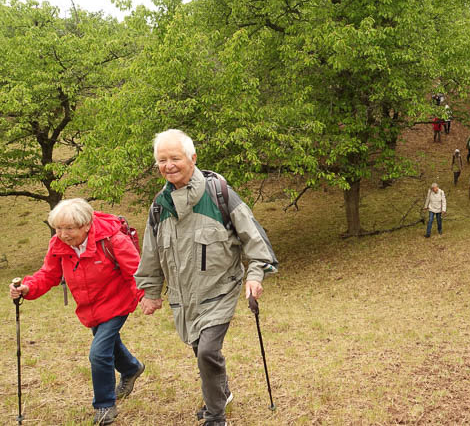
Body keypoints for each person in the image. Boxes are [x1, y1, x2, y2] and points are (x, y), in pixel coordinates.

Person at [135, 129, 278, 426]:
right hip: (183, 300)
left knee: (208, 351)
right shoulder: (159, 206)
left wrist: (254, 276)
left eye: (175, 158)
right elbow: (150, 254)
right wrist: (150, 292)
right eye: (162, 160)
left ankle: (215, 416)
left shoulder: (220, 195)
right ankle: (221, 392)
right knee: (202, 350)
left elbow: (256, 241)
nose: (169, 165)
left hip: (220, 290)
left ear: (192, 158)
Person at [9, 199, 144, 425]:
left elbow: (135, 271)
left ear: (86, 225)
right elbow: (49, 274)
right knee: (108, 343)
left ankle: (104, 406)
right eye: (58, 228)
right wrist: (27, 287)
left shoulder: (113, 240)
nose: (63, 234)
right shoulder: (58, 245)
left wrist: (145, 297)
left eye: (69, 228)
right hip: (89, 306)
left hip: (117, 302)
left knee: (99, 353)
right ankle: (131, 368)